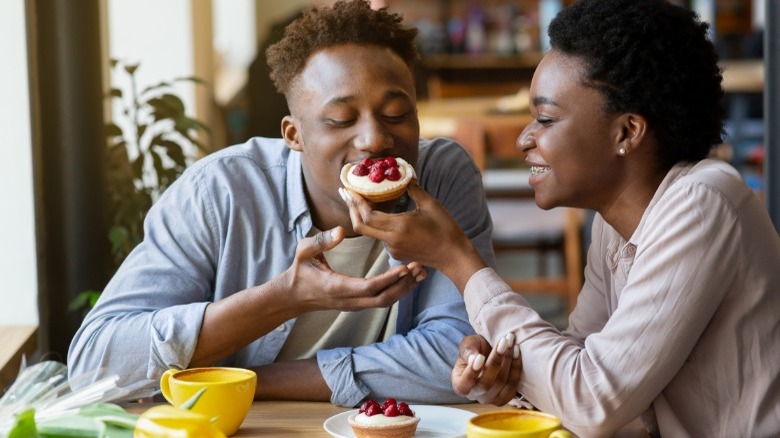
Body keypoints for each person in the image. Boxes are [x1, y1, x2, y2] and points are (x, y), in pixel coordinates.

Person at [339, 0, 780, 435]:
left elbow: (593, 401)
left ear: (626, 131)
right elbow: (583, 365)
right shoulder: (614, 223)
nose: (524, 139)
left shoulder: (703, 202)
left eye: (545, 119)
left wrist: (457, 259)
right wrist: (508, 379)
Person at [68, 0, 496, 407]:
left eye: (397, 113)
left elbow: (459, 359)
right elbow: (95, 364)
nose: (375, 140)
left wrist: (254, 381)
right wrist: (284, 298)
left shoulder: (441, 176)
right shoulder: (218, 192)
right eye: (341, 121)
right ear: (294, 135)